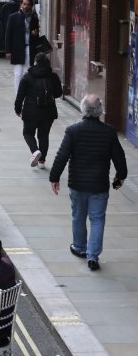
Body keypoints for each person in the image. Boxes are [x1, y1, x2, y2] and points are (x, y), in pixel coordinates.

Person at [49, 94, 127, 271]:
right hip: (99, 184)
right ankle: (93, 256)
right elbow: (119, 158)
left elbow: (62, 156)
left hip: (77, 183)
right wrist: (120, 176)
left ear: (83, 108)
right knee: (97, 219)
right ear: (100, 110)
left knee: (78, 216)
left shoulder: (73, 130)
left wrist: (54, 177)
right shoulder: (108, 131)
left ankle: (79, 247)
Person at [14, 52, 63, 169]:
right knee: (44, 136)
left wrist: (17, 109)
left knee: (27, 133)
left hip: (31, 111)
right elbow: (58, 94)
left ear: (35, 63)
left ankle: (35, 151)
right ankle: (42, 161)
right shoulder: (53, 76)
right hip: (48, 112)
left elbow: (20, 95)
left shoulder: (27, 76)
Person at [5, 0, 41, 90]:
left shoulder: (34, 19)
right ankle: (18, 95)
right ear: (21, 4)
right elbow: (8, 35)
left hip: (29, 47)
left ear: (31, 6)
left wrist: (35, 33)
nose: (26, 6)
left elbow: (36, 35)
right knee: (18, 73)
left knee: (27, 72)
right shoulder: (13, 17)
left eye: (28, 4)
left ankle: (26, 93)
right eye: (24, 4)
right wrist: (8, 51)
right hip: (17, 48)